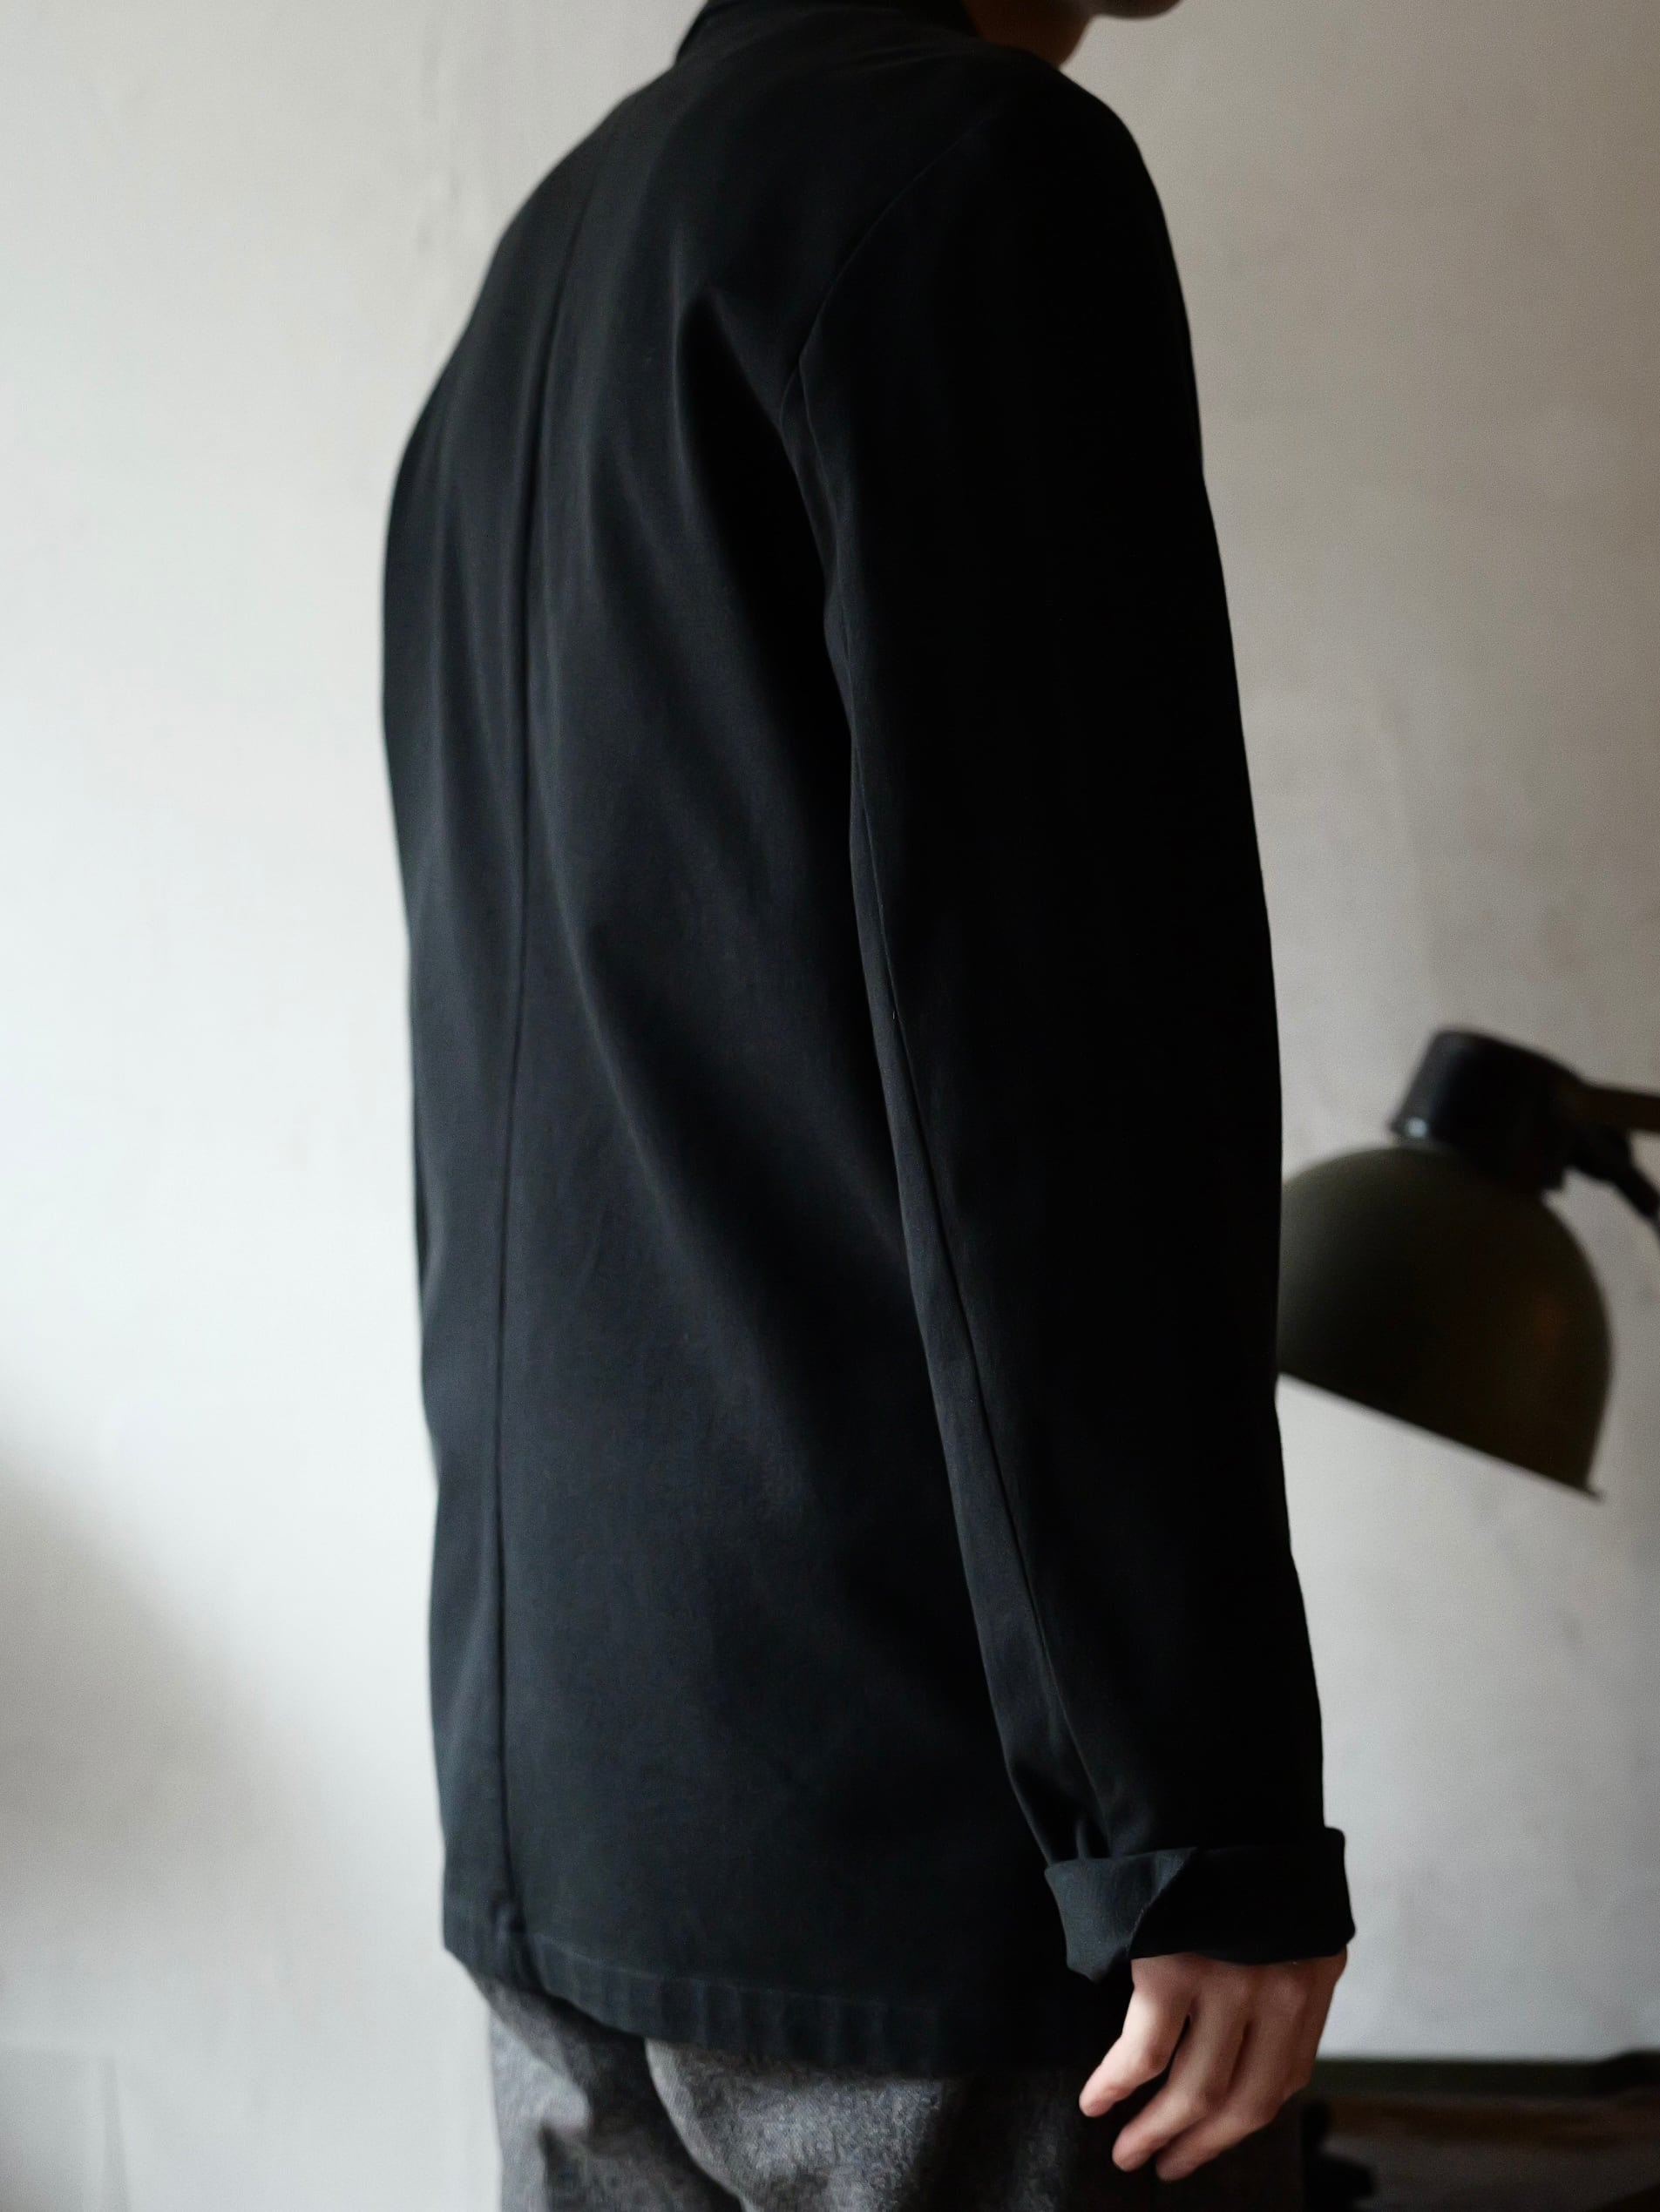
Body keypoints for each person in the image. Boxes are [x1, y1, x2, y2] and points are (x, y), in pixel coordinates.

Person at [382, 0, 1354, 2202]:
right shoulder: (967, 180)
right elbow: (1056, 1071)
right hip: (918, 1837)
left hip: (566, 1803)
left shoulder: (540, 275)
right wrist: (1185, 1817)